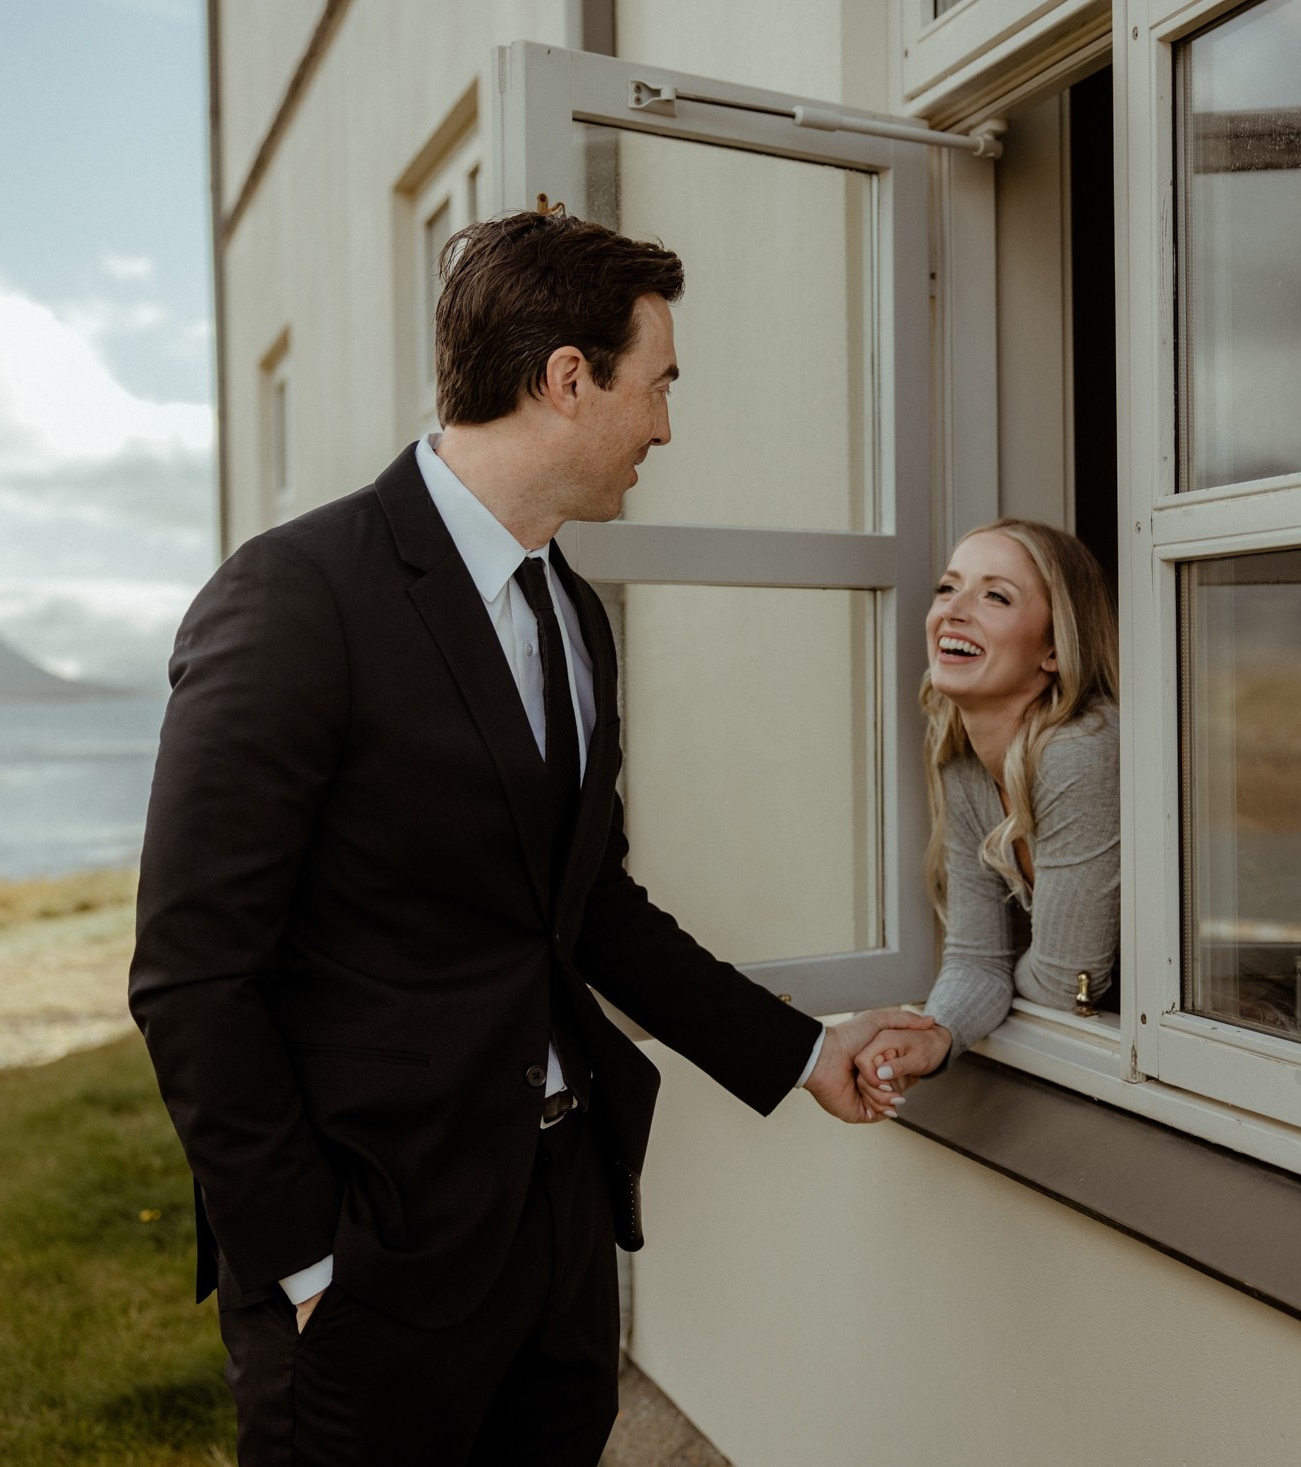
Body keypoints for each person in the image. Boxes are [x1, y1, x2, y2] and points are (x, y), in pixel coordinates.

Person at [128, 207, 931, 1465]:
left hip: (558, 1233)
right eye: (657, 385)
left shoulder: (570, 609)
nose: (664, 426)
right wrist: (306, 1265)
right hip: (373, 1257)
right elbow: (192, 975)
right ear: (567, 379)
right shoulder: (295, 596)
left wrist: (800, 1054)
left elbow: (588, 905)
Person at [852, 519, 1119, 1112]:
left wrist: (999, 986)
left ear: (1055, 650)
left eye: (995, 596)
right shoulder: (964, 762)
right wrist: (937, 1036)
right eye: (948, 588)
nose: (953, 611)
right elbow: (977, 958)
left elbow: (1065, 983)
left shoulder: (1082, 750)